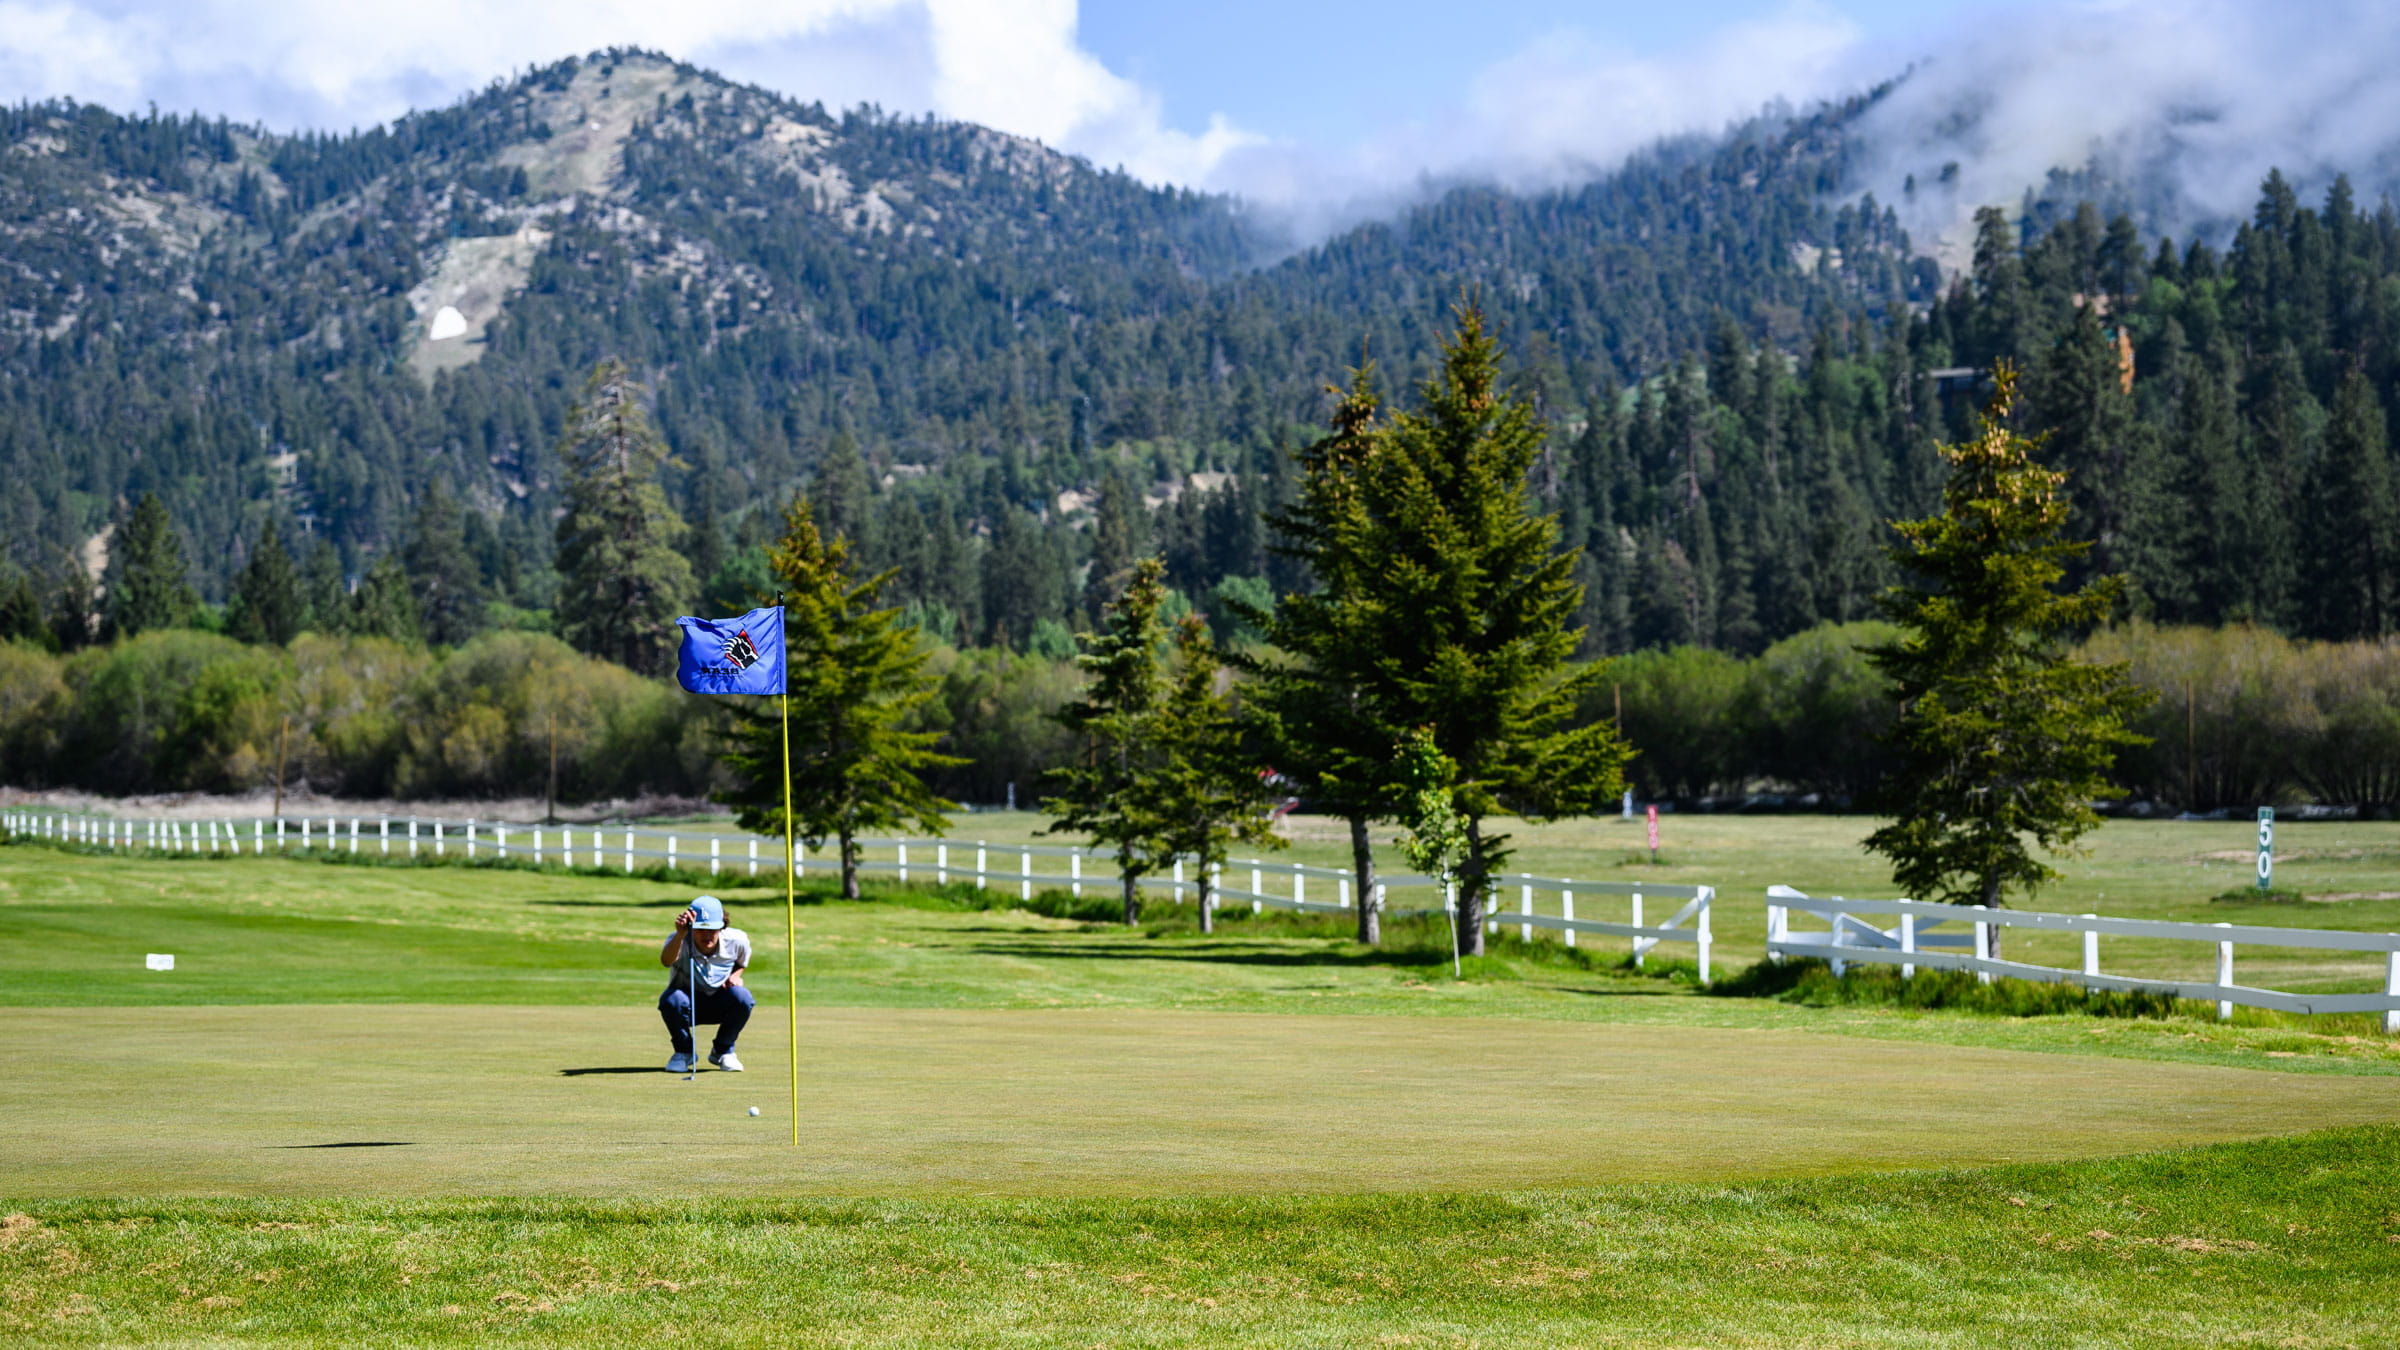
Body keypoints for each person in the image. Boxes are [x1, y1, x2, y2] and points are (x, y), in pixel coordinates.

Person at [658, 894, 752, 1073]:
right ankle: (684, 1052)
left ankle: (723, 1051)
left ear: (722, 926)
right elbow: (667, 961)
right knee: (671, 999)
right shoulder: (678, 940)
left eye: (713, 930)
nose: (707, 935)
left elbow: (742, 962)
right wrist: (680, 934)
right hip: (687, 1004)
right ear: (691, 926)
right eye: (701, 929)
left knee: (743, 997)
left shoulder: (737, 940)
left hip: (720, 1002)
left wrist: (736, 975)